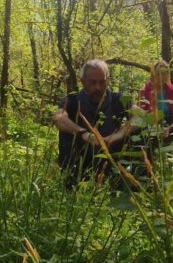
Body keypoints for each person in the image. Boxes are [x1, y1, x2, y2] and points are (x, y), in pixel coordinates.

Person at [53, 59, 134, 189]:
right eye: (93, 82)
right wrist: (83, 133)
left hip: (110, 160)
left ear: (108, 80)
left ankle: (130, 184)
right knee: (66, 131)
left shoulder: (119, 99)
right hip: (79, 162)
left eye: (102, 82)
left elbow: (141, 116)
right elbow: (58, 118)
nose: (98, 87)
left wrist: (118, 135)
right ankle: (71, 182)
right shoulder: (72, 100)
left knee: (139, 131)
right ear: (83, 81)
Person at [139, 60, 173, 136]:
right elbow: (141, 113)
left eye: (164, 74)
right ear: (153, 75)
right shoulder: (145, 91)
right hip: (149, 126)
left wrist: (169, 128)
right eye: (158, 74)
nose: (161, 77)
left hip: (169, 125)